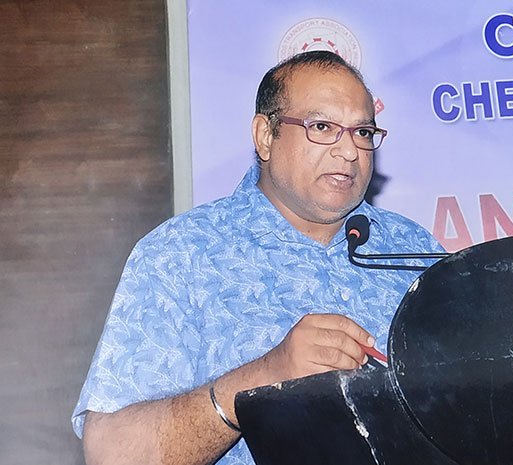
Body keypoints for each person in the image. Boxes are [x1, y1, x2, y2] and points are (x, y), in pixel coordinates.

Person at [72, 50, 442, 465]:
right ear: (265, 135)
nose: (349, 151)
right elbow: (112, 454)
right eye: (322, 127)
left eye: (363, 132)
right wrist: (266, 376)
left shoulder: (415, 249)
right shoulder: (182, 254)